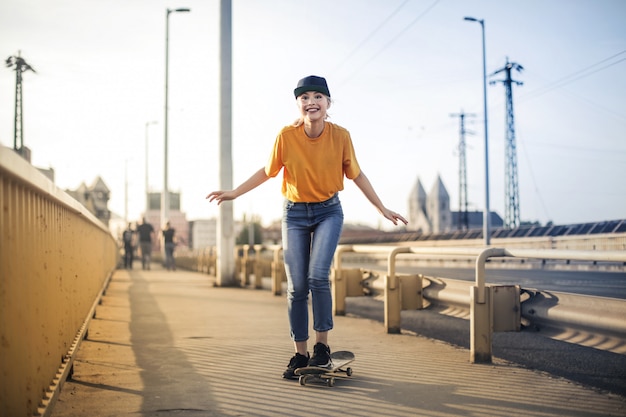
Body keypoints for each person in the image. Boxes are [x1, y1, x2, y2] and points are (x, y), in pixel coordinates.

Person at [206, 75, 407, 379]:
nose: (311, 102)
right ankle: (300, 354)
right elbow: (268, 170)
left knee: (317, 276)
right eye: (305, 97)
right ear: (299, 104)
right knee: (297, 286)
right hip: (295, 213)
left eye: (317, 97)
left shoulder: (341, 136)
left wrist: (382, 208)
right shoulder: (286, 135)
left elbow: (357, 175)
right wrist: (235, 192)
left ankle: (322, 348)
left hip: (329, 211)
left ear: (328, 103)